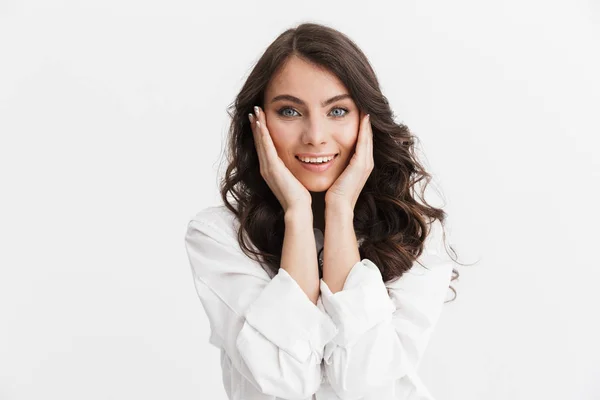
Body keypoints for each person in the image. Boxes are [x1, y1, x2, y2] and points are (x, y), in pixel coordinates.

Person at [184, 22, 461, 400]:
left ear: (366, 118)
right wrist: (297, 213)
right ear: (258, 121)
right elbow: (286, 382)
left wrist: (340, 212)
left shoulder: (414, 231)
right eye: (290, 111)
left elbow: (367, 388)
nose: (315, 135)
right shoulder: (219, 236)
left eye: (337, 111)